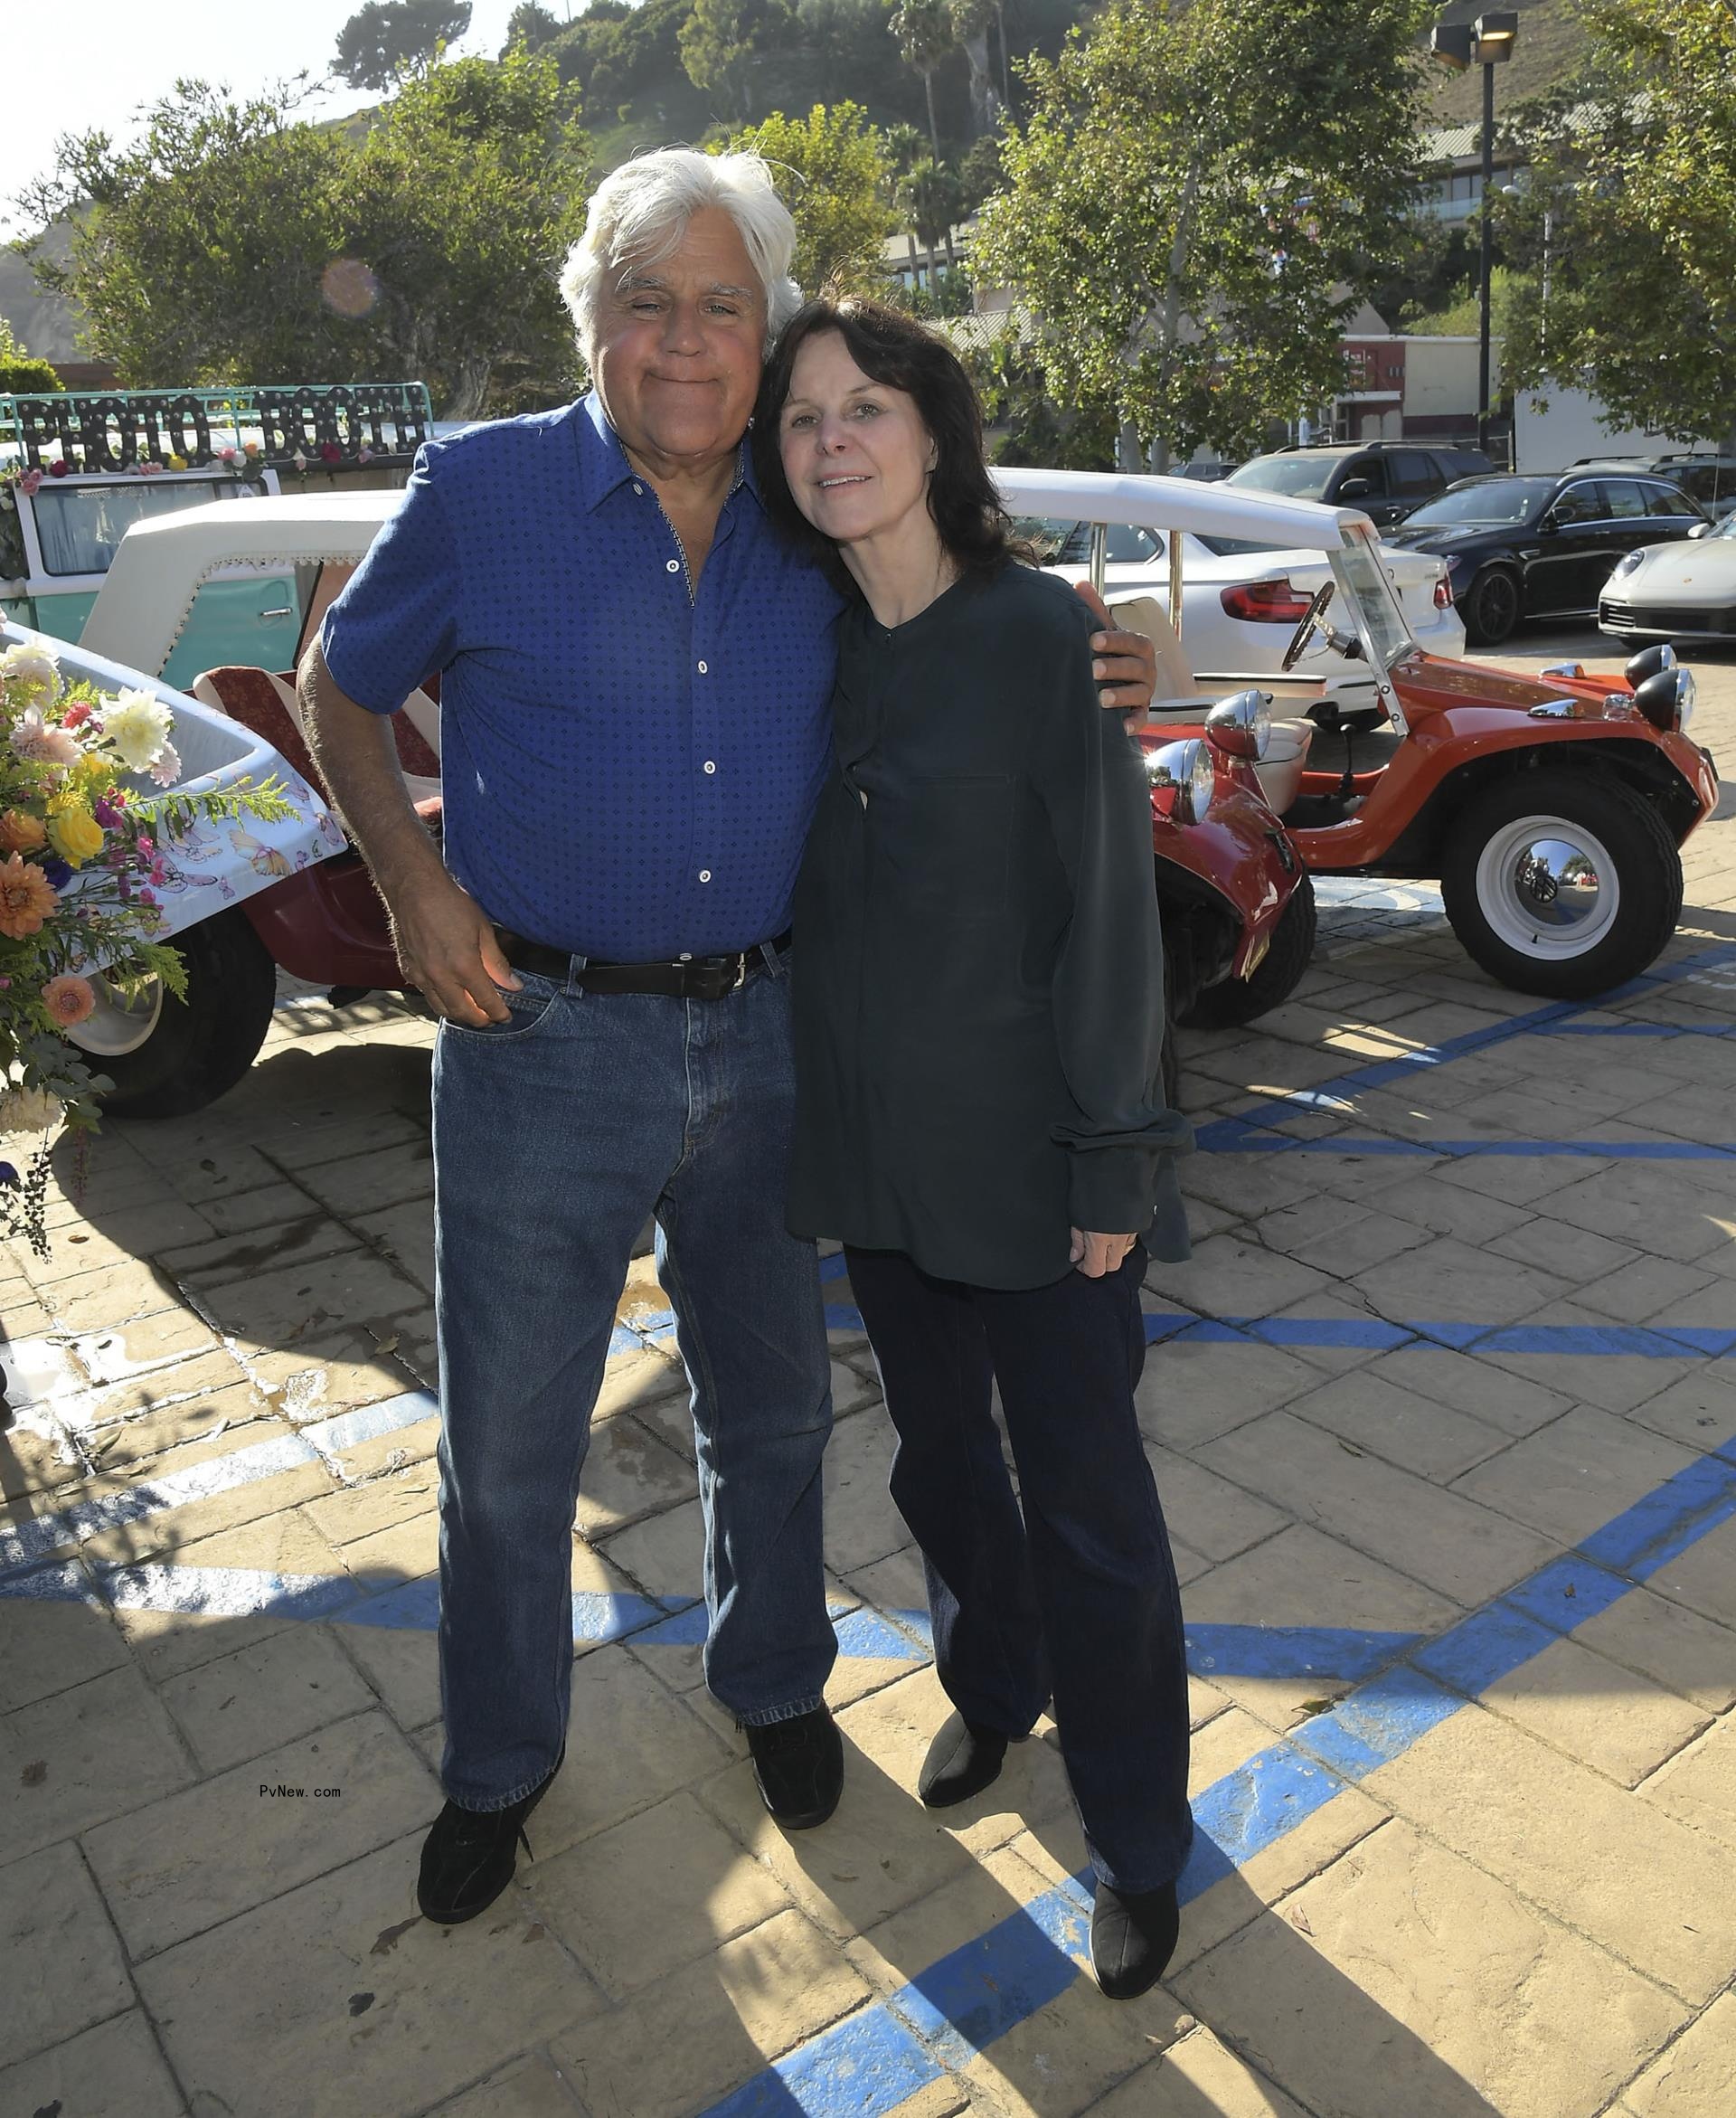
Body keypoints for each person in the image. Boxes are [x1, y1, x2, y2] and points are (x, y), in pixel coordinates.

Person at [298, 149, 1161, 1928]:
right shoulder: (481, 489)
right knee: (510, 1450)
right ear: (592, 321)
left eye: (720, 303)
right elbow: (340, 684)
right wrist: (411, 885)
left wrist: (1114, 641)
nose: (686, 340)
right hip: (536, 1034)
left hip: (774, 1038)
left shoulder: (806, 500)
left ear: (760, 327)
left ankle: (773, 1682)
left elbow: (977, 601)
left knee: (772, 1418)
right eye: (647, 300)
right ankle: (502, 1760)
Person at [754, 298, 1195, 2000]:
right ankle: (993, 1688)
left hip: (1034, 1160)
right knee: (938, 1465)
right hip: (872, 1157)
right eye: (802, 421)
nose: (833, 441)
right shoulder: (809, 637)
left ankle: (1140, 1836)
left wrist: (1113, 1163)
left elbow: (1110, 922)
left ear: (936, 433)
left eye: (866, 407)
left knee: (1092, 1505)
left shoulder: (1043, 639)